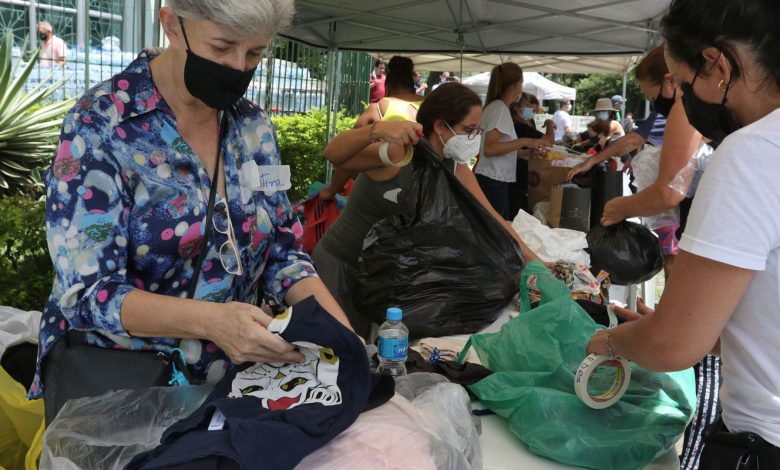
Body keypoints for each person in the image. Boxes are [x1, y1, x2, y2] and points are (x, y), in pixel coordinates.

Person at [31, 0, 357, 406]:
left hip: (228, 387)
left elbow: (284, 254)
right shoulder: (99, 126)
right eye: (222, 47)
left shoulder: (253, 128)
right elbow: (88, 293)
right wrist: (214, 322)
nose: (238, 66)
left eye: (255, 52)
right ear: (171, 24)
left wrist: (348, 344)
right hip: (118, 390)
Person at [587, 2, 780, 469]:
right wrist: (689, 322)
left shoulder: (754, 152)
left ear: (717, 64)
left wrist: (609, 343)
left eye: (683, 83)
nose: (681, 100)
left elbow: (671, 346)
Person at [314, 83, 541, 338]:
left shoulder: (455, 167)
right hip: (341, 264)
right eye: (468, 130)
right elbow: (332, 153)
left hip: (379, 278)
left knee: (365, 349)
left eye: (478, 131)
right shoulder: (400, 153)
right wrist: (375, 130)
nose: (474, 139)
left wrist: (537, 264)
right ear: (440, 125)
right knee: (333, 348)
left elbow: (493, 218)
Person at [319, 56, 422, 202]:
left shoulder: (378, 108)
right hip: (424, 192)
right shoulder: (430, 105)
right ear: (412, 83)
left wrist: (331, 191)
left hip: (383, 196)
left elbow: (350, 153)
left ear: (387, 85)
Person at [473, 63, 550, 220]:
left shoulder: (497, 107)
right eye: (521, 82)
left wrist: (522, 153)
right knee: (497, 227)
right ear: (516, 84)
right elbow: (490, 148)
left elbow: (498, 149)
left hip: (494, 179)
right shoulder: (499, 109)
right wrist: (525, 141)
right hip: (492, 180)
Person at [508, 93, 554, 215]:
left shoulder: (520, 124)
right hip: (517, 179)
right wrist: (550, 123)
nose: (531, 111)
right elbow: (549, 141)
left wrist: (525, 152)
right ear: (516, 108)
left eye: (533, 109)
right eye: (527, 106)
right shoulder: (520, 127)